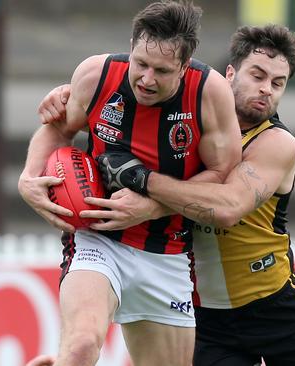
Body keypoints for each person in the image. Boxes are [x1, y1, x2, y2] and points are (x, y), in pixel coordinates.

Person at [36, 24, 295, 366]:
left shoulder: (276, 143)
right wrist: (69, 93)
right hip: (205, 313)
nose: (266, 89)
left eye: (277, 83)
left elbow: (227, 206)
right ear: (229, 73)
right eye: (257, 75)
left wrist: (144, 184)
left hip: (271, 302)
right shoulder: (190, 113)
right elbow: (116, 100)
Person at [17, 1, 241, 366]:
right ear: (132, 47)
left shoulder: (209, 94)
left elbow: (221, 176)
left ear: (184, 67)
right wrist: (28, 177)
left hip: (165, 252)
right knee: (82, 347)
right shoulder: (96, 75)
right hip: (98, 238)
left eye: (162, 70)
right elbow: (58, 127)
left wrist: (153, 205)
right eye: (141, 63)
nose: (146, 79)